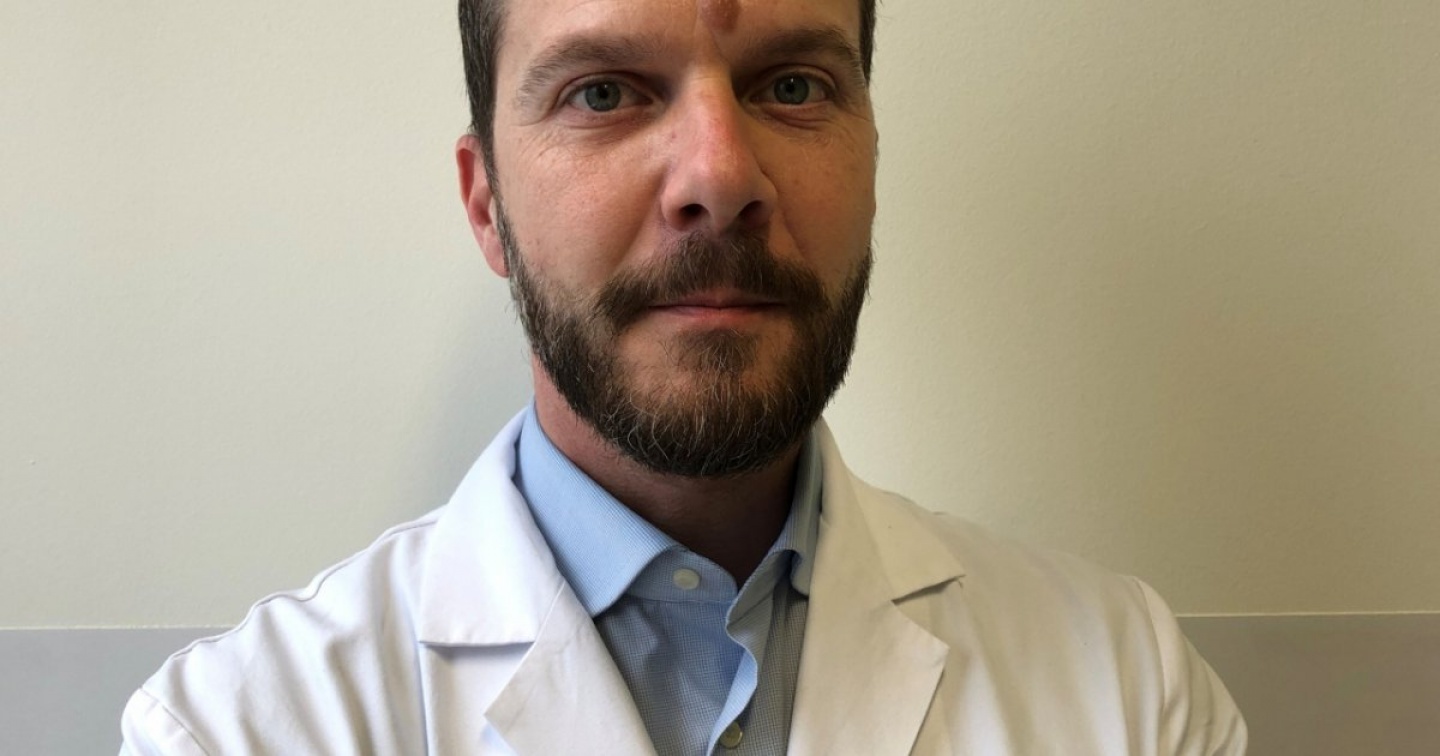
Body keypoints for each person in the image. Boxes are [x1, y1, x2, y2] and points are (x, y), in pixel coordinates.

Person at [120, 0, 1247, 753]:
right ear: (487, 206)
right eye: (604, 93)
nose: (720, 176)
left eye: (793, 86)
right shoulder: (238, 730)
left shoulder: (1125, 689)